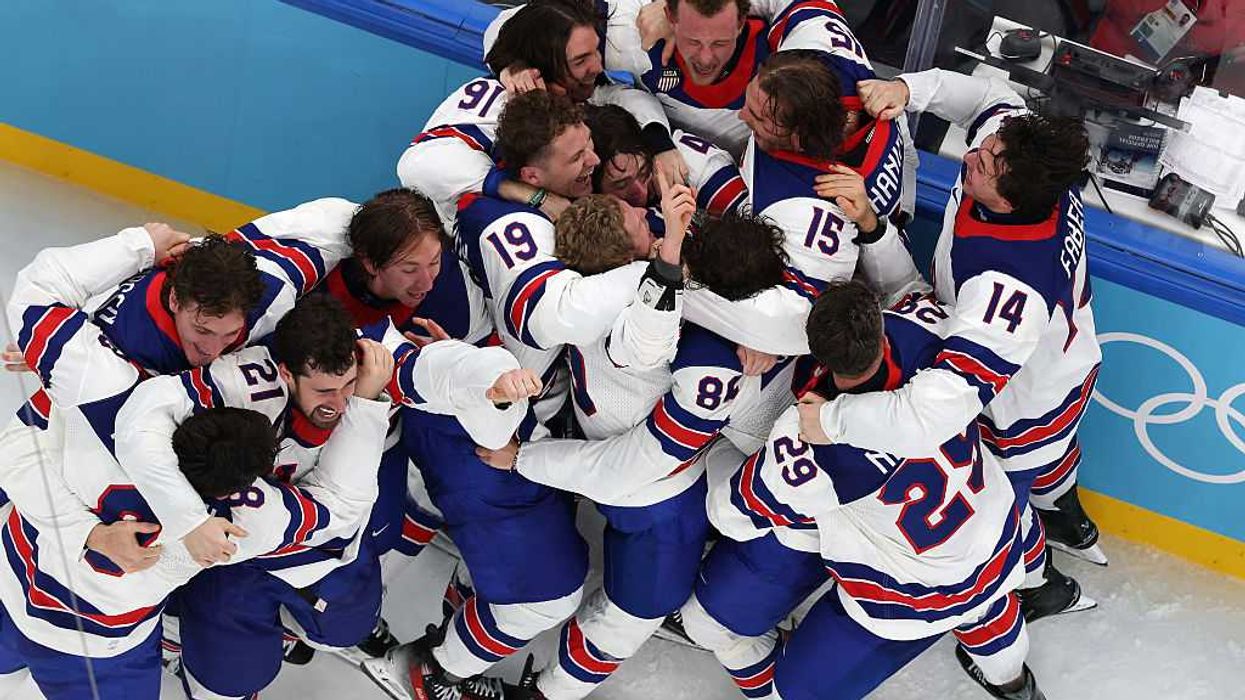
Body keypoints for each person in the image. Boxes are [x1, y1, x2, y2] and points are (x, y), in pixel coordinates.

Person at [802, 69, 1103, 621]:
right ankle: (1070, 520)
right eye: (987, 145)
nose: (973, 154)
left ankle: (1042, 588)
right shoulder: (1023, 158)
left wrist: (836, 420)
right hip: (1064, 358)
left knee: (1002, 505)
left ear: (1010, 201)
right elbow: (989, 99)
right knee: (1054, 468)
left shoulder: (1005, 293)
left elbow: (930, 415)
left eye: (984, 164)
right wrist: (906, 92)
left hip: (1024, 402)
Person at [476, 186, 793, 700]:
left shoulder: (582, 290)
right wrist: (526, 460)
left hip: (637, 477)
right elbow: (644, 348)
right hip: (655, 497)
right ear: (632, 256)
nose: (653, 220)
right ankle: (546, 694)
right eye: (645, 225)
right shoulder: (650, 335)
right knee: (632, 616)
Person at [693, 280, 1045, 700]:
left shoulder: (808, 438)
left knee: (789, 689)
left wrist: (713, 449)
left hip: (909, 592)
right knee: (988, 610)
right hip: (995, 536)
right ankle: (1015, 685)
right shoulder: (925, 331)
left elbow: (729, 512)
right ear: (879, 326)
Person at [400, 0, 683, 233]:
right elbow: (416, 165)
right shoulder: (495, 100)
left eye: (596, 52)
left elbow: (624, 97)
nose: (598, 65)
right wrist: (532, 195)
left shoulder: (574, 91)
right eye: (581, 60)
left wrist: (661, 144)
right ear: (545, 63)